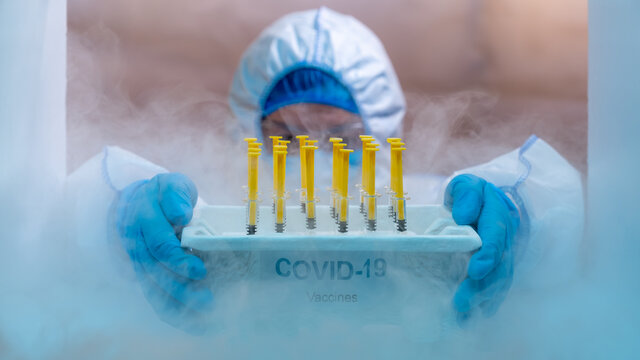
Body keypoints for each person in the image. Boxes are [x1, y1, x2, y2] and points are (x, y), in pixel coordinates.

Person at [67, 7, 584, 332]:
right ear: (247, 132)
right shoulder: (209, 217)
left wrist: (522, 213)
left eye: (343, 140)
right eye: (286, 136)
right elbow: (63, 242)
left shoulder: (432, 211)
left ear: (382, 135)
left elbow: (565, 227)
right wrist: (115, 217)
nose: (313, 156)